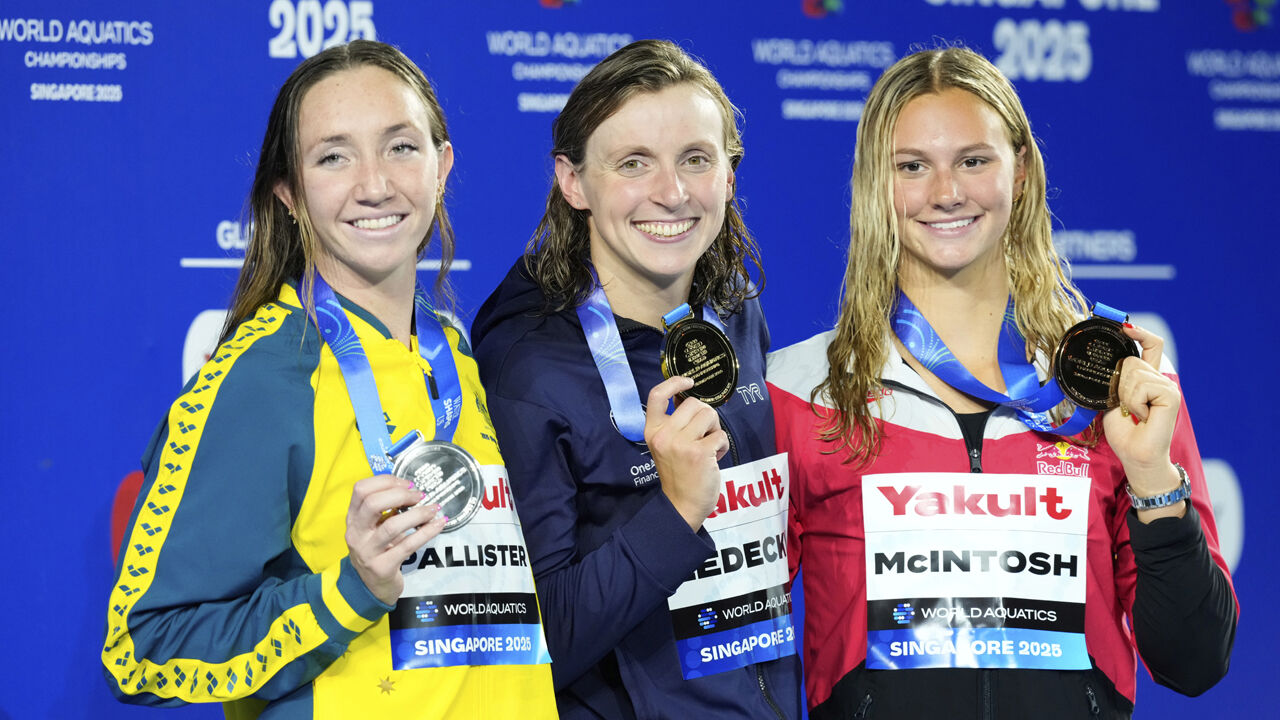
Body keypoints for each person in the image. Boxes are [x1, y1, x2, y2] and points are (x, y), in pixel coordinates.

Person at [767, 46, 1237, 719]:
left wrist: (1153, 479)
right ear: (878, 185)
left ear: (1021, 172)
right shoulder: (799, 389)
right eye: (912, 167)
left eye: (973, 160)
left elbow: (1195, 662)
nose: (946, 192)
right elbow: (734, 638)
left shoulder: (1118, 385)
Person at [102, 40, 556, 719]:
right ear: (288, 194)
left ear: (443, 165)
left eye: (401, 147)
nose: (375, 184)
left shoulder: (460, 353)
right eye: (333, 156)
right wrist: (350, 590)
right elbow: (142, 649)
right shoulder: (261, 379)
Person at [471, 39, 802, 720]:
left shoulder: (734, 307)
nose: (672, 193)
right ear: (573, 182)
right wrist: (677, 512)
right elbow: (537, 641)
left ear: (730, 174)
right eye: (633, 164)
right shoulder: (528, 365)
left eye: (696, 160)